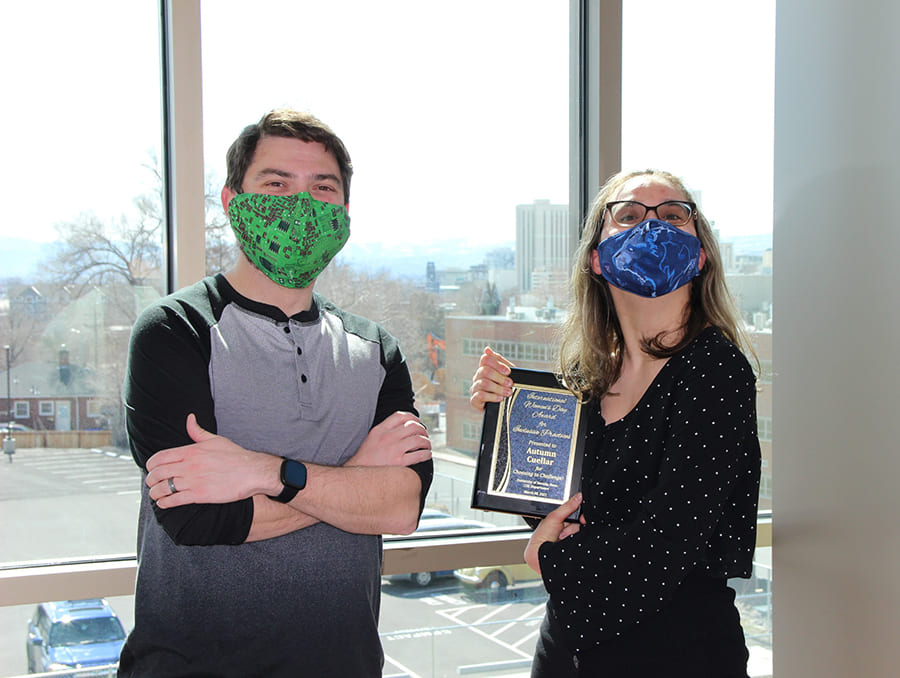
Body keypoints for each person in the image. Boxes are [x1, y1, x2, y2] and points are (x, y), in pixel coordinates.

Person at [118, 109, 433, 678]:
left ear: (343, 214)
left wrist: (265, 472)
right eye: (276, 184)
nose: (301, 205)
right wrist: (355, 476)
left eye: (322, 188)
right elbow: (196, 520)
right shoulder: (175, 330)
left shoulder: (376, 349)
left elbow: (401, 505)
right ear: (233, 201)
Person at [471, 169, 760, 677]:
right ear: (596, 259)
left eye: (673, 215)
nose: (652, 227)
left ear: (701, 254)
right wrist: (507, 423)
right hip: (567, 651)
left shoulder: (716, 371)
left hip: (680, 655)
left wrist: (549, 559)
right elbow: (563, 509)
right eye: (628, 216)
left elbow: (667, 542)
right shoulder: (584, 377)